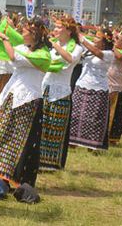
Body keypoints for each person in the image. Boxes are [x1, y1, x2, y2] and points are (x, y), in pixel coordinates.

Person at [0, 18, 52, 203]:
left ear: (33, 35)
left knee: (20, 143)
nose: (22, 33)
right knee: (2, 136)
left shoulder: (43, 55)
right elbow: (14, 46)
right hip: (11, 97)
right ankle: (0, 179)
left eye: (25, 31)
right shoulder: (24, 47)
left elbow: (13, 56)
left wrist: (4, 38)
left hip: (27, 100)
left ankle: (17, 183)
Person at [40, 16, 84, 170]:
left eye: (59, 27)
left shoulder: (77, 48)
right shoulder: (54, 45)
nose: (55, 30)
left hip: (61, 91)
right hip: (46, 87)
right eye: (55, 27)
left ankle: (51, 163)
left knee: (55, 126)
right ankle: (39, 160)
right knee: (43, 124)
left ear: (69, 31)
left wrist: (53, 45)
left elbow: (70, 59)